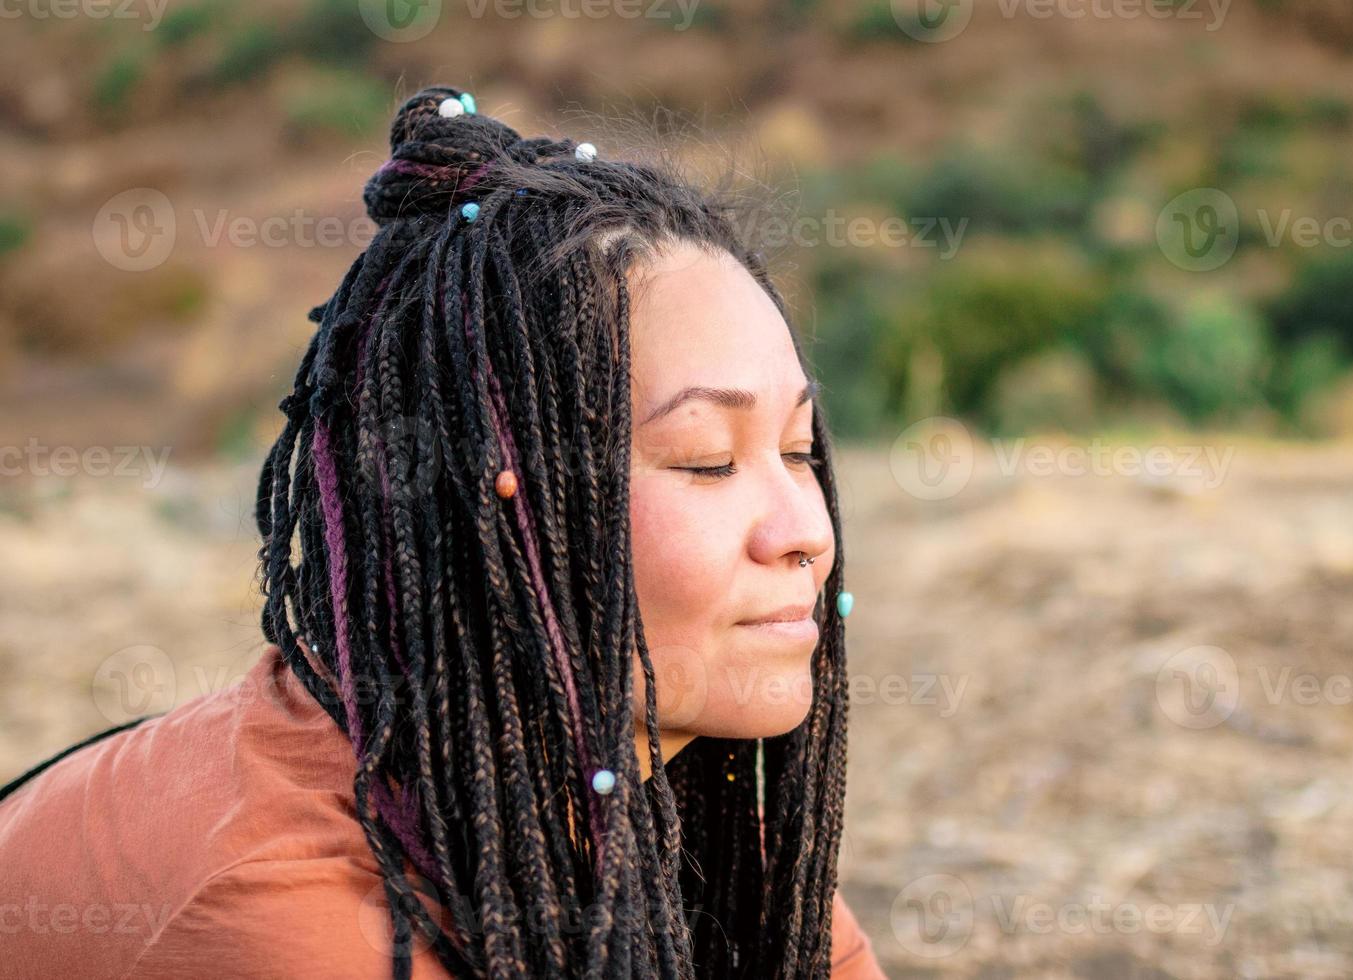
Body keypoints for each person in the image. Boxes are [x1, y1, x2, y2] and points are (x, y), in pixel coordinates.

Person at [0, 85, 885, 979]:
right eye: (706, 460)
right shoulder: (302, 921)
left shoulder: (668, 799)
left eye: (800, 450)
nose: (804, 531)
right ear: (483, 499)